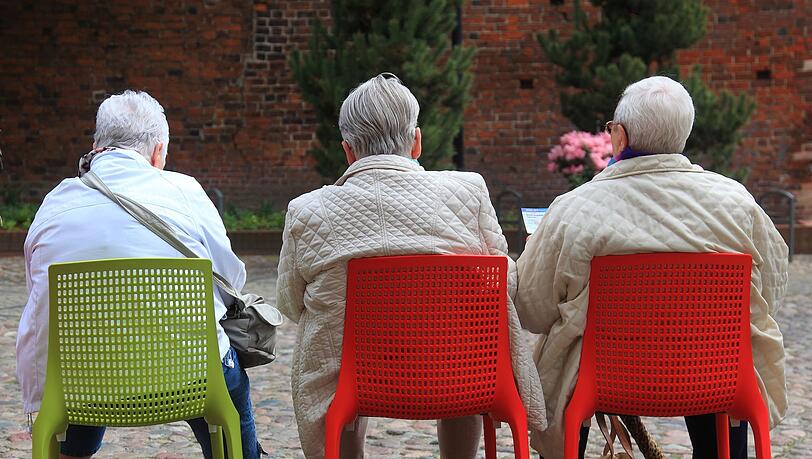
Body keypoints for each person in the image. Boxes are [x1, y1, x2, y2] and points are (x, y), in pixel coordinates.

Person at [516, 76, 788, 459]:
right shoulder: (737, 204)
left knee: (561, 356)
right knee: (724, 351)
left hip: (604, 379)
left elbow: (532, 309)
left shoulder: (574, 209)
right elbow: (771, 289)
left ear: (621, 137)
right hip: (715, 374)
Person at [276, 73, 547, 458]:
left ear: (348, 150)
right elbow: (505, 279)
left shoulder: (307, 211)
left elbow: (289, 303)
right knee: (464, 351)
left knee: (337, 350)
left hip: (357, 380)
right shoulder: (468, 191)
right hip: (462, 372)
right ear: (416, 141)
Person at [16, 90, 261, 459]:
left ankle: (72, 450)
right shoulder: (185, 192)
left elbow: (39, 291)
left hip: (83, 383)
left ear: (96, 146)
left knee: (85, 357)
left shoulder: (56, 203)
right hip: (190, 378)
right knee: (227, 379)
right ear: (158, 152)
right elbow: (230, 278)